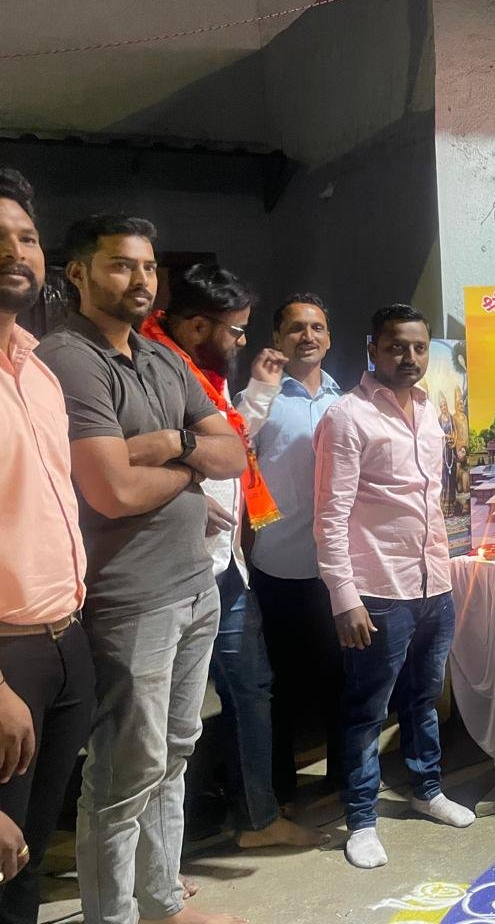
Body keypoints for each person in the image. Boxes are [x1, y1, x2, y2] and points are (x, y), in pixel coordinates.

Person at [36, 215, 247, 924]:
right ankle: (115, 916)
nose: (141, 280)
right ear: (78, 273)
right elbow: (114, 493)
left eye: (149, 267)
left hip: (193, 587)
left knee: (175, 755)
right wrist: (192, 468)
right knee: (125, 773)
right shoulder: (70, 358)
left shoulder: (160, 357)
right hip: (131, 600)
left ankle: (161, 903)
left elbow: (231, 453)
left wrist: (169, 445)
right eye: (122, 265)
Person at [141, 267, 325, 850]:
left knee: (249, 688)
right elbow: (124, 461)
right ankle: (161, 853)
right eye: (237, 330)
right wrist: (187, 500)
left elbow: (230, 445)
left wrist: (258, 394)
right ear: (199, 326)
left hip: (223, 567)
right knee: (167, 713)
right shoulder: (148, 370)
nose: (242, 341)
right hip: (169, 569)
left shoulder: (204, 374)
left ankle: (256, 820)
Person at [314, 304, 473, 870]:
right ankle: (361, 820)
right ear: (372, 349)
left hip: (433, 583)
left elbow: (431, 500)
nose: (409, 358)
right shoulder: (347, 417)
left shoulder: (429, 411)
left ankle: (427, 790)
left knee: (424, 699)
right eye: (396, 347)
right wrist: (344, 597)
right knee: (367, 709)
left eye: (419, 348)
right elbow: (330, 516)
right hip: (378, 590)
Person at [0, 168, 95, 924]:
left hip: (65, 641)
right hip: (6, 658)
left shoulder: (38, 371)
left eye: (27, 237)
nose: (15, 251)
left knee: (28, 852)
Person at [234, 294, 344, 808]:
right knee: (277, 686)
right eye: (296, 328)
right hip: (277, 566)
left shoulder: (345, 400)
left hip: (337, 571)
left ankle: (345, 780)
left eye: (317, 327)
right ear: (277, 338)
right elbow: (231, 459)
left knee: (341, 681)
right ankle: (277, 793)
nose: (308, 336)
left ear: (329, 338)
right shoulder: (258, 399)